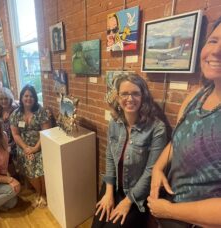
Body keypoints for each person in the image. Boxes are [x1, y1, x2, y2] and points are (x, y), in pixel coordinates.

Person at [148, 17, 221, 228]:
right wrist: (158, 169)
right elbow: (176, 141)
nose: (216, 51)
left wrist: (168, 210)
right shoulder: (195, 96)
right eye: (214, 41)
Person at [91, 74, 167, 228]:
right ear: (118, 98)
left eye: (135, 93)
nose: (130, 98)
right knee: (97, 225)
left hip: (136, 195)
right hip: (114, 186)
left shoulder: (157, 128)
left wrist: (127, 202)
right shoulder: (115, 122)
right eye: (125, 93)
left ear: (143, 95)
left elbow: (151, 171)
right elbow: (110, 157)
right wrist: (108, 192)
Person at [10, 84, 50, 208]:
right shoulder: (15, 114)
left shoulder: (41, 111)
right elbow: (15, 134)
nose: (29, 98)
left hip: (41, 144)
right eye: (26, 96)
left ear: (35, 98)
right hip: (24, 147)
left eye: (31, 96)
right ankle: (38, 191)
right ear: (21, 97)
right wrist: (26, 148)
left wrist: (36, 148)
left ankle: (44, 194)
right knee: (28, 161)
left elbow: (46, 133)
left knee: (40, 159)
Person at [0, 87, 18, 176]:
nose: (3, 101)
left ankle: (15, 177)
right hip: (4, 140)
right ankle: (12, 176)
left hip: (14, 141)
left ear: (10, 99)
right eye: (1, 99)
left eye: (6, 99)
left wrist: (9, 145)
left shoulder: (15, 110)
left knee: (6, 154)